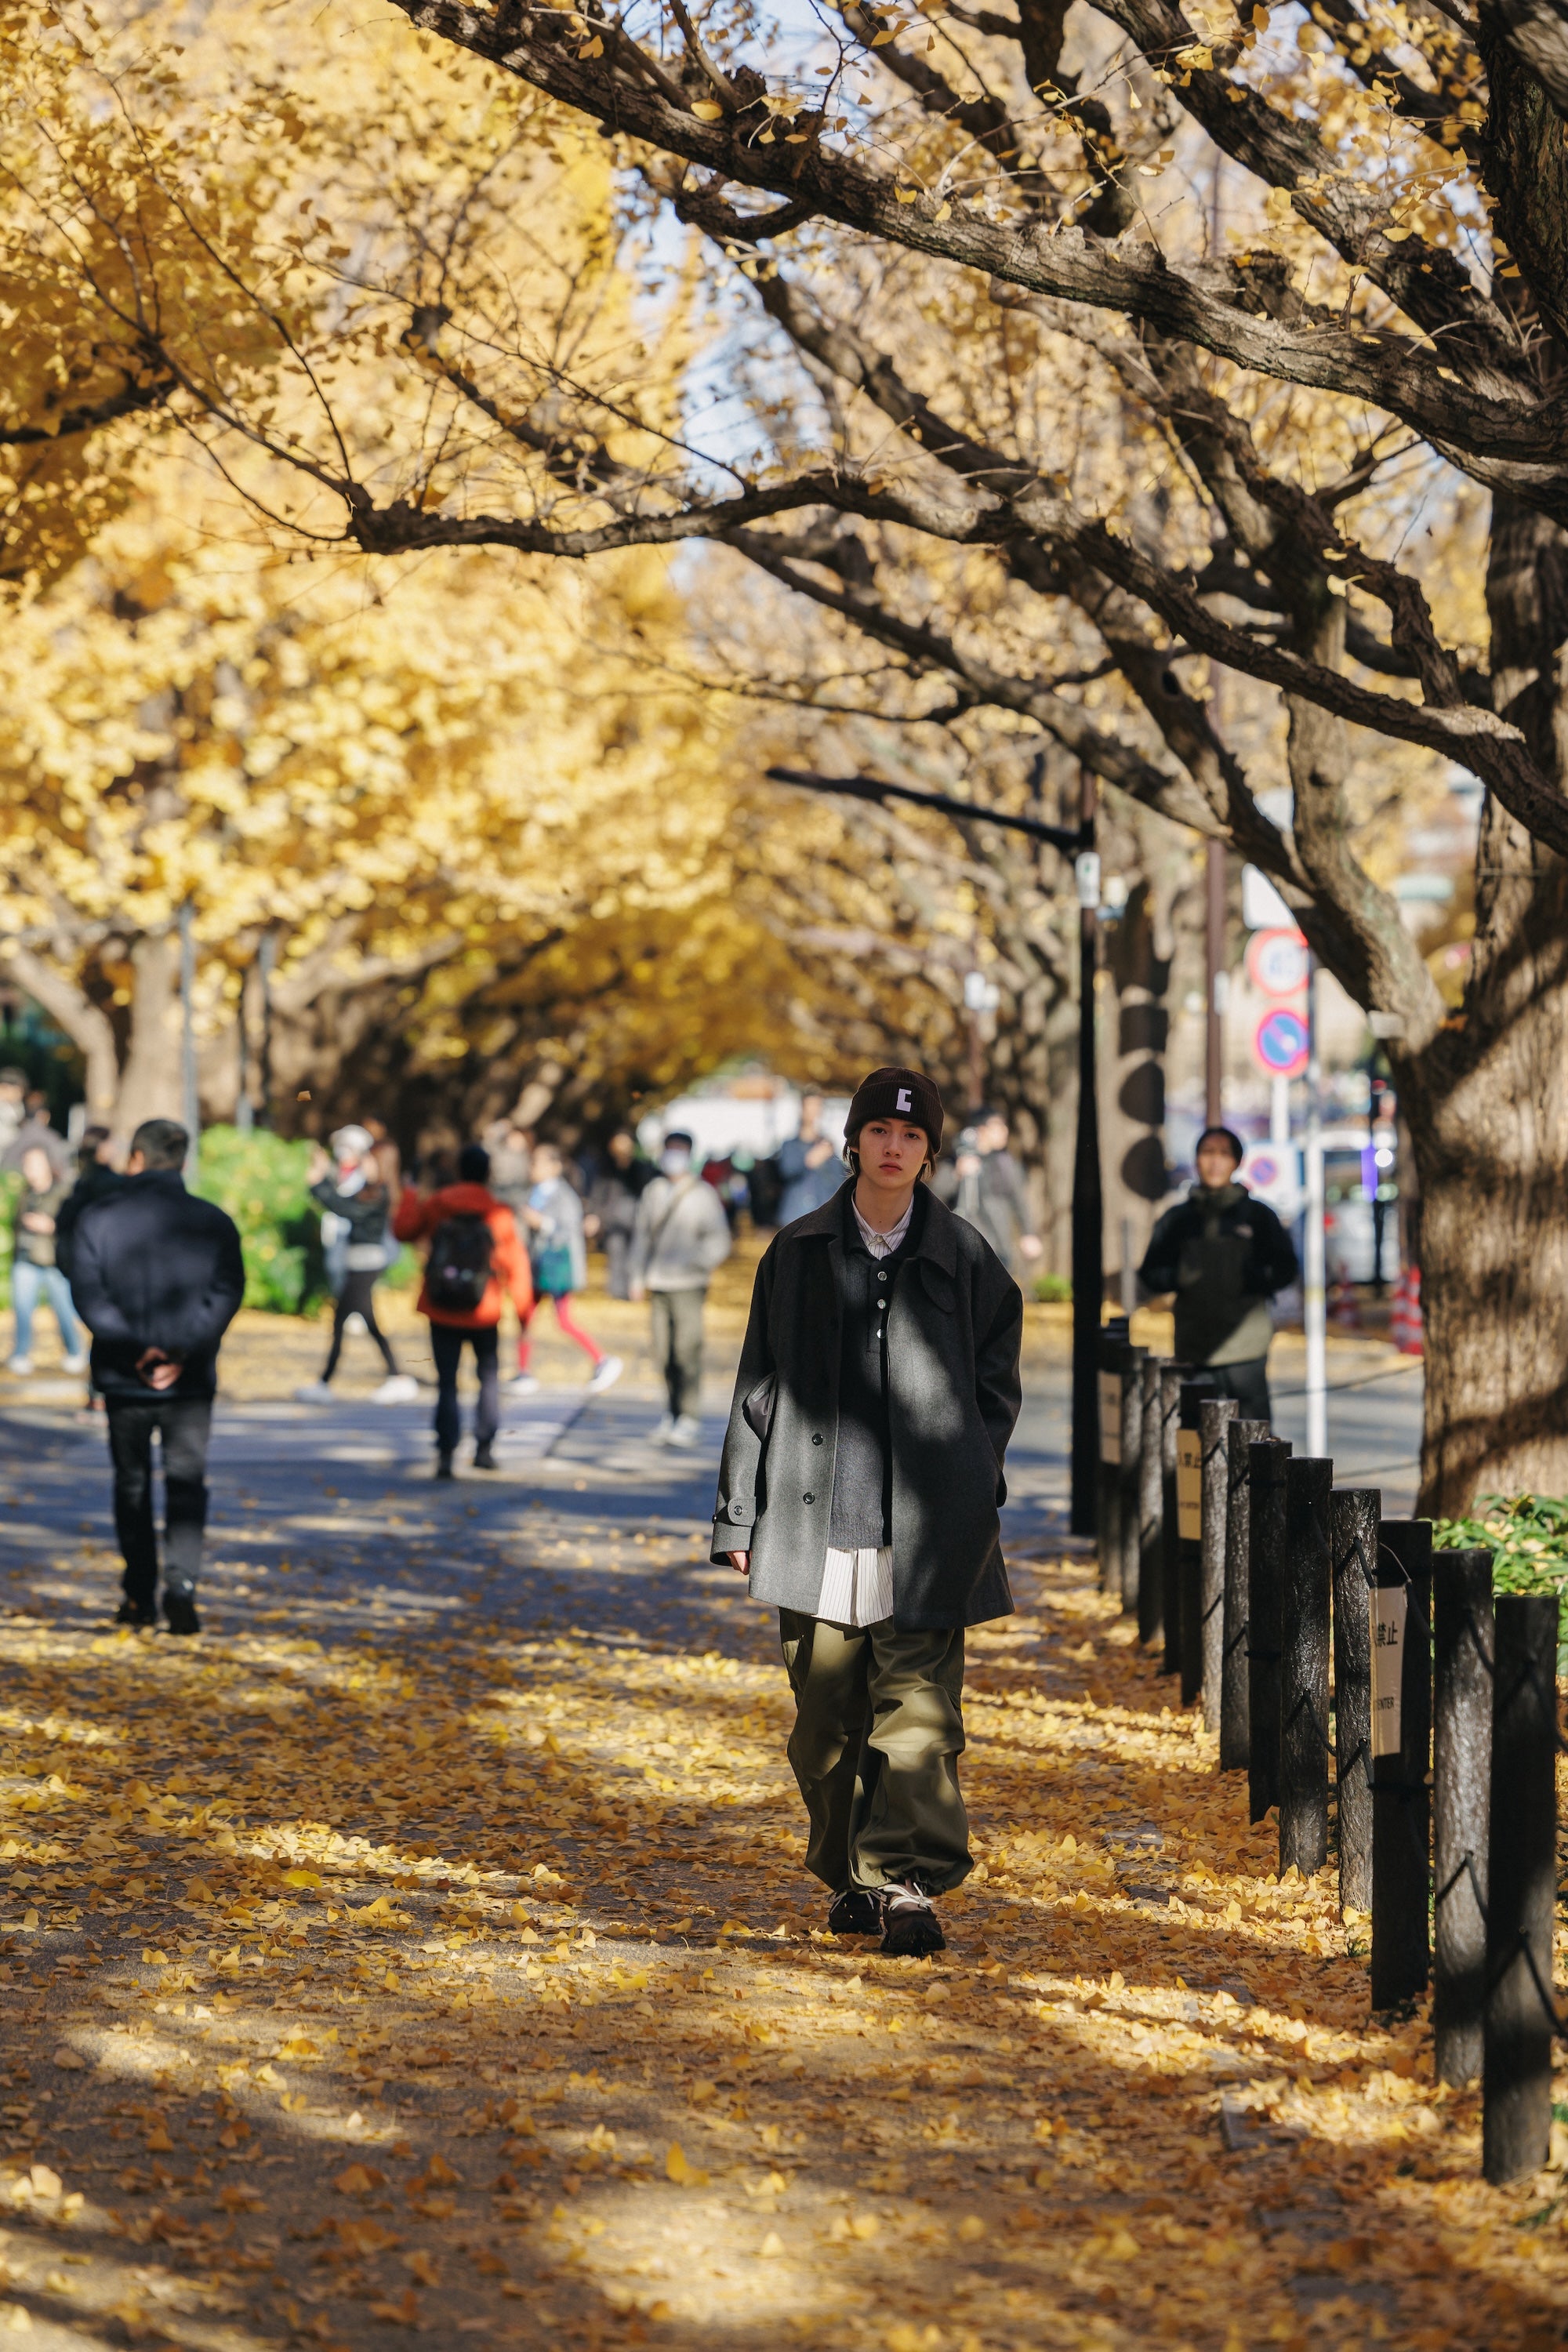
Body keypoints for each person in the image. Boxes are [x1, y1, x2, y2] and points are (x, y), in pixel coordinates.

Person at [713, 1066, 1023, 1959]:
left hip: (927, 1528)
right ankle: (847, 1867)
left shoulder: (962, 1255)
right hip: (813, 1521)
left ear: (928, 1152)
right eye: (880, 1134)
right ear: (855, 1142)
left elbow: (996, 1377)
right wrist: (738, 1513)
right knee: (823, 1724)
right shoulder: (799, 1251)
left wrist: (975, 1466)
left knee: (917, 1715)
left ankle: (906, 1883)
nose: (894, 1149)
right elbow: (755, 1382)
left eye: (912, 1137)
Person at [67, 1117, 245, 1633]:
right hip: (189, 1378)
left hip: (125, 1376)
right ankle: (182, 1583)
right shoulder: (212, 1221)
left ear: (135, 1159)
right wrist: (184, 1349)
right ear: (183, 1161)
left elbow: (89, 1294)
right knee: (187, 1479)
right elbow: (227, 1291)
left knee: (132, 1483)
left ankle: (138, 1594)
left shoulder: (98, 1218)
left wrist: (137, 1349)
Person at [1138, 1123, 1299, 1422]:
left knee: (1253, 1436)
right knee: (1195, 1439)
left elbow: (1287, 1267)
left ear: (1237, 1162)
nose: (1214, 1161)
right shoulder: (1177, 1220)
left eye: (1224, 1154)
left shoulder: (1259, 1216)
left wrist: (1252, 1278)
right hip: (1194, 1347)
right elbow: (1150, 1273)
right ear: (1196, 1159)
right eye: (1207, 1152)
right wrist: (1180, 1277)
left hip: (1246, 1347)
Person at [393, 1142, 534, 1479]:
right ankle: (484, 1449)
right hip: (484, 1308)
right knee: (487, 1378)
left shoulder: (440, 1205)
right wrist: (524, 1313)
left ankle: (445, 1453)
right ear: (488, 1174)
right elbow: (515, 1264)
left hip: (442, 1306)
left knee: (446, 1383)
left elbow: (403, 1230)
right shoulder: (497, 1212)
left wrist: (410, 1193)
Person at [628, 1128, 732, 1446]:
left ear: (688, 1154)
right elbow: (642, 1236)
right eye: (668, 1149)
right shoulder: (654, 1191)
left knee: (687, 1349)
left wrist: (697, 1263)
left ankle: (689, 1416)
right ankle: (671, 1413)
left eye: (678, 1150)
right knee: (663, 1351)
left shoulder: (703, 1194)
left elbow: (719, 1239)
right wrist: (636, 1275)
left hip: (688, 1284)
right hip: (658, 1282)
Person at [295, 1130, 416, 1403]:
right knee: (365, 1323)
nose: (363, 1164)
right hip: (357, 1263)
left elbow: (344, 1209)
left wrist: (318, 1183)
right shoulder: (368, 1191)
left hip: (366, 1264)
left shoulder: (380, 1193)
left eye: (369, 1160)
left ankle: (332, 1382)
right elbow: (341, 1202)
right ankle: (394, 1377)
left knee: (345, 1323)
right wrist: (322, 1178)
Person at [517, 1142, 622, 1396]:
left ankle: (602, 1359)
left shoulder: (564, 1195)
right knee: (525, 1318)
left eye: (538, 1162)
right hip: (535, 1265)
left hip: (557, 1267)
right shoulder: (533, 1192)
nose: (533, 1168)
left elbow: (569, 1232)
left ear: (554, 1167)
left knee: (563, 1320)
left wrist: (541, 1223)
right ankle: (523, 1372)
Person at [7, 1143, 87, 1376]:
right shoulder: (26, 1193)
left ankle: (74, 1351)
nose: (30, 1170)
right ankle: (20, 1353)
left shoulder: (63, 1191)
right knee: (22, 1310)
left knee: (64, 1309)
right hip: (25, 1258)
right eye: (26, 1164)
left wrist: (51, 1226)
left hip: (52, 1261)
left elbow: (72, 1224)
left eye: (34, 1163)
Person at [939, 1109, 1044, 1279]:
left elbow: (1020, 1202)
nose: (1005, 1131)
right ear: (981, 1130)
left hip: (999, 1245)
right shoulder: (956, 1160)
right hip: (963, 1245)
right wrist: (957, 1174)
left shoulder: (1006, 1164)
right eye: (998, 1126)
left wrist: (1029, 1233)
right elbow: (936, 1194)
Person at [585, 1129, 651, 1298]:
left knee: (636, 1254)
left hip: (637, 1219)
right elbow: (597, 1194)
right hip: (612, 1220)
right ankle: (617, 1291)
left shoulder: (642, 1167)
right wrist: (594, 1215)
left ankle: (634, 1288)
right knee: (616, 1254)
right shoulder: (605, 1169)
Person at [776, 1094, 841, 1225]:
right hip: (795, 1216)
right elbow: (787, 1171)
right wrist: (810, 1160)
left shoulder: (828, 1145)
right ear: (802, 1110)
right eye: (810, 1107)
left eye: (818, 1107)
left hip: (822, 1215)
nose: (814, 1113)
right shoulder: (790, 1145)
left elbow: (839, 1179)